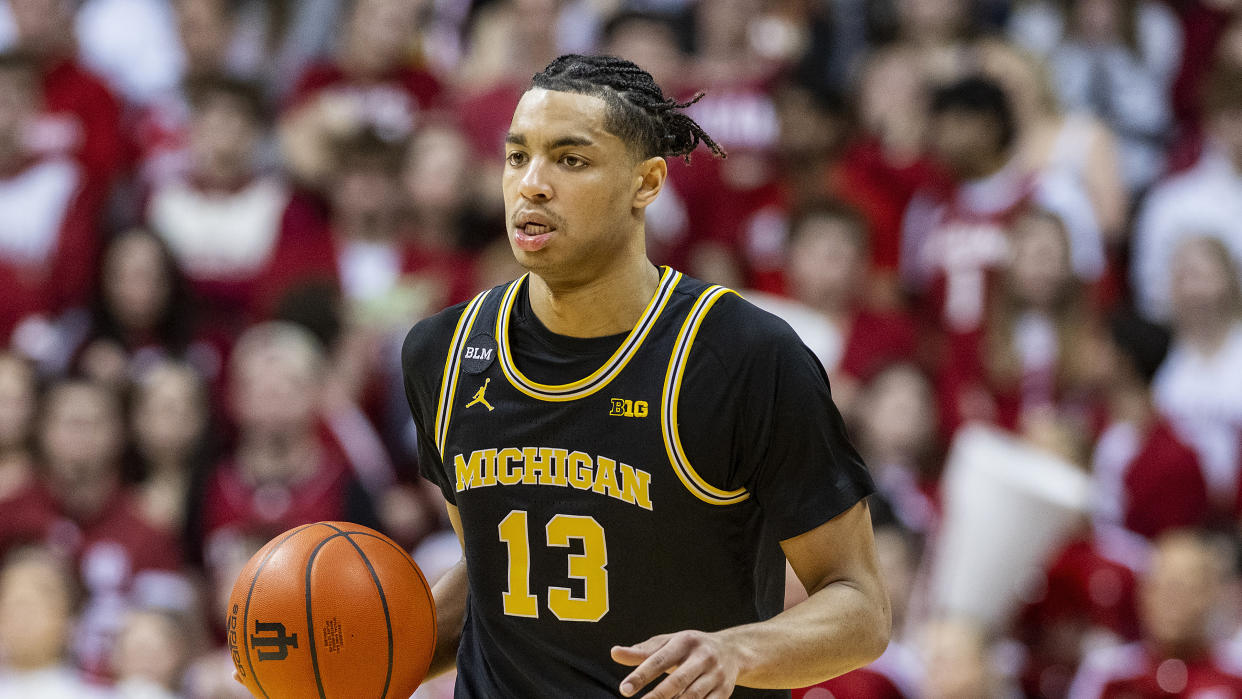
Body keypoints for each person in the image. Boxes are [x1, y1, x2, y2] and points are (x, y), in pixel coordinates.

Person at [399, 54, 888, 698]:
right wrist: (342, 662)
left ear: (647, 183)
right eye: (518, 157)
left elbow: (860, 606)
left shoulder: (742, 356)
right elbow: (492, 585)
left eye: (571, 160)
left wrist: (736, 650)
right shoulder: (445, 351)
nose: (532, 185)